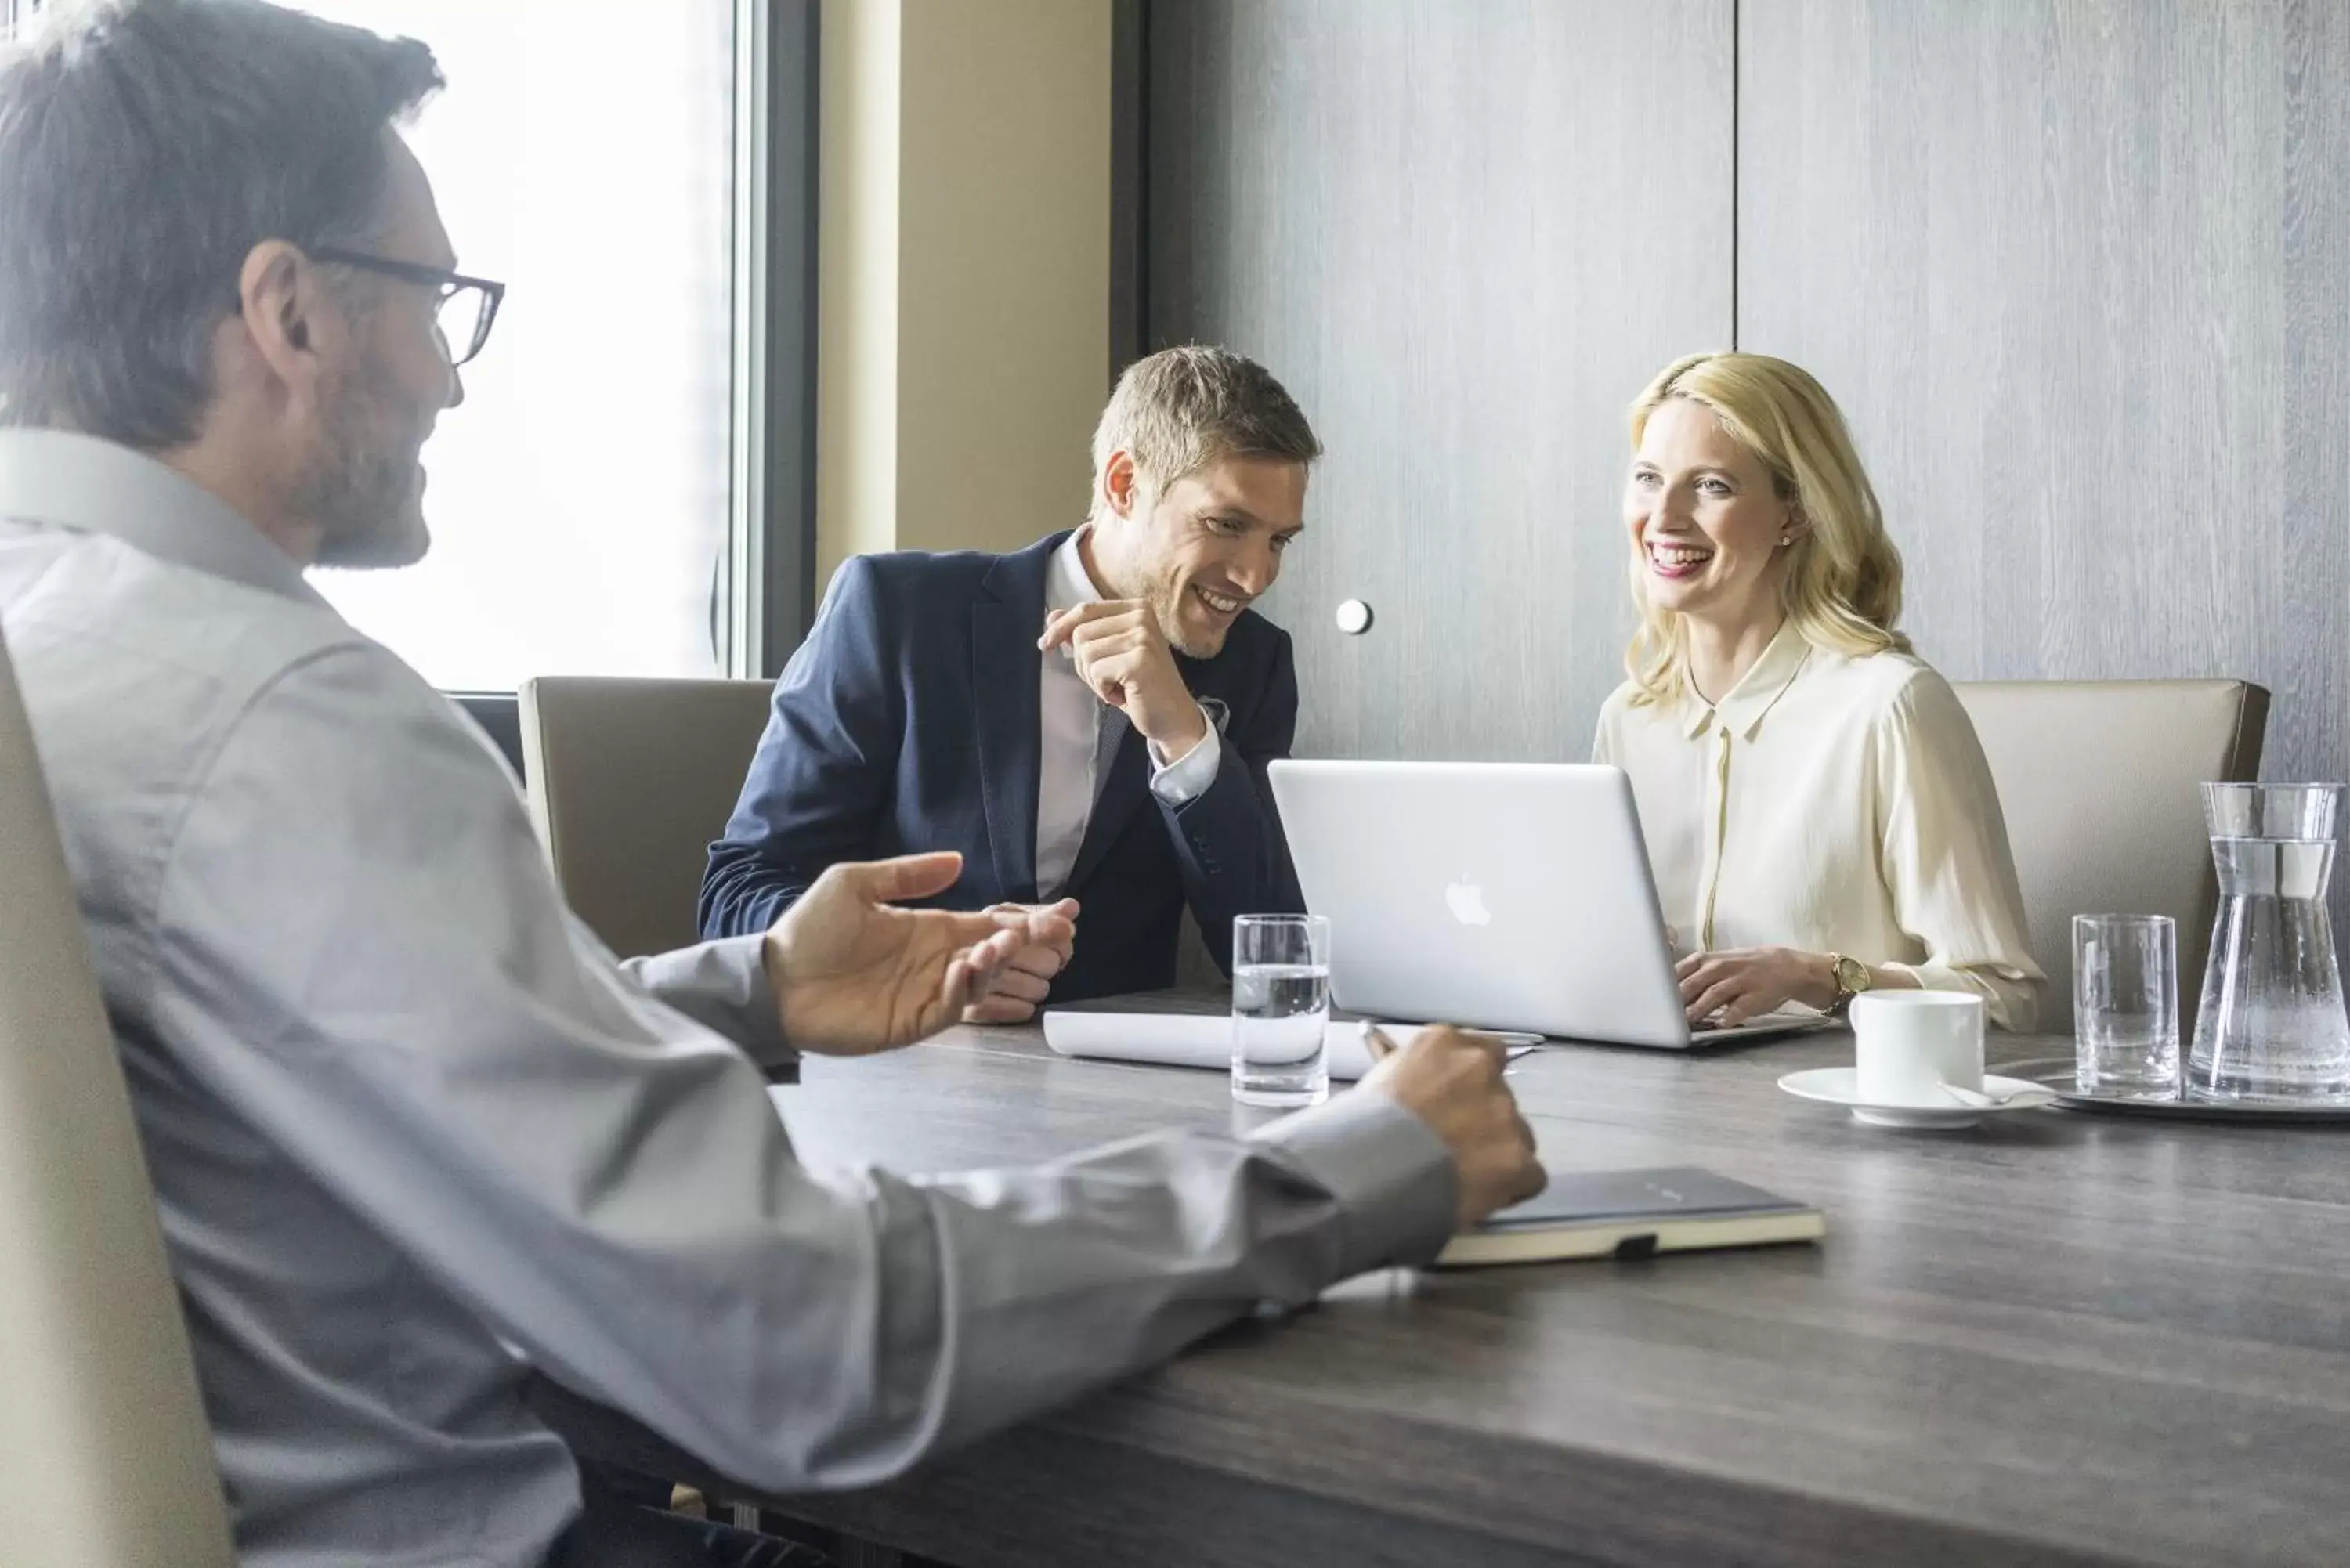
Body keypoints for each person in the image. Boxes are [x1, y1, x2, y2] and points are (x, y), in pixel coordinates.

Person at [0, 5, 1544, 1566]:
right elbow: (805, 1337)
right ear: (290, 314)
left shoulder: (53, 658)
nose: (452, 383)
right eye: (435, 301)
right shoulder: (288, 718)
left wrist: (753, 985)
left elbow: (330, 1057)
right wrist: (1354, 1169)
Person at [700, 345, 1316, 1009]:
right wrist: (914, 968)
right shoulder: (896, 613)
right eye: (1226, 525)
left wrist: (1185, 741)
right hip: (901, 1064)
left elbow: (1276, 955)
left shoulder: (1254, 664)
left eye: (1278, 541)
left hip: (1117, 1090)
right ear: (1123, 485)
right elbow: (738, 892)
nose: (1256, 576)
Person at [1592, 352, 2042, 1031]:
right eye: (1649, 479)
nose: (1665, 516)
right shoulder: (1628, 718)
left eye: (1710, 486)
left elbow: (2008, 1002)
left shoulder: (1891, 706)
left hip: (1838, 1126)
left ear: (1794, 515)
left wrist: (1815, 977)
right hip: (1656, 1114)